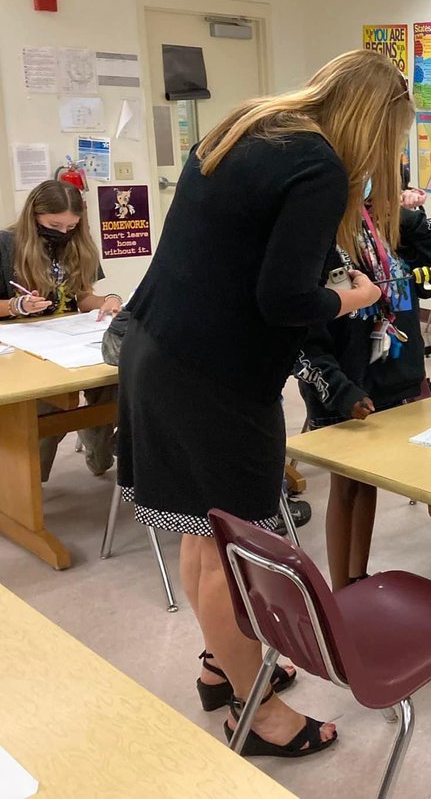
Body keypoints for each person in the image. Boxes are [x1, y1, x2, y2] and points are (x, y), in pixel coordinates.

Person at [117, 49, 401, 758]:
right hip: (216, 378)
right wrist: (351, 295)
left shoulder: (248, 128)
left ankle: (222, 664)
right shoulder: (320, 167)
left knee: (200, 532)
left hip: (158, 349)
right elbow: (283, 301)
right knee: (230, 549)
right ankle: (257, 713)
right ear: (374, 125)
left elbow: (239, 258)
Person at [294, 173, 431, 590]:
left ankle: (359, 576)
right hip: (344, 384)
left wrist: (406, 217)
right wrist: (342, 391)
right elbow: (299, 337)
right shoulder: (314, 237)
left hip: (397, 374)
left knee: (370, 483)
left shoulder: (383, 230)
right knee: (347, 486)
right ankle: (343, 589)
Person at [1, 179, 120, 478]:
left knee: (111, 382)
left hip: (68, 339)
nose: (62, 233)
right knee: (44, 407)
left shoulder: (78, 244)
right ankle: (29, 487)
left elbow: (83, 298)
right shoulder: (6, 245)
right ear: (34, 216)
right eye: (55, 225)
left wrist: (109, 300)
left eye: (71, 227)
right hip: (22, 345)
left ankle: (100, 454)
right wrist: (17, 306)